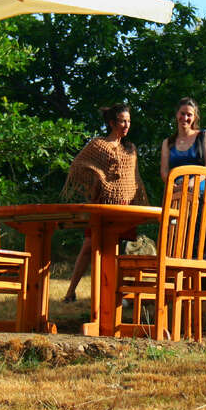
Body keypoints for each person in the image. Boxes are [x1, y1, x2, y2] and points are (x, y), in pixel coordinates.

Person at [61, 104, 148, 302]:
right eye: (122, 121)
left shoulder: (130, 149)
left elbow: (134, 178)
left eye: (128, 121)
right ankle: (70, 291)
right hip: (103, 204)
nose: (126, 125)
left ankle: (115, 295)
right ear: (111, 123)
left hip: (125, 206)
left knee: (120, 251)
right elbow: (78, 165)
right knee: (89, 246)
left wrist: (136, 201)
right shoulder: (98, 145)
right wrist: (97, 180)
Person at [160, 96, 206, 181]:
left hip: (200, 190)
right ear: (177, 114)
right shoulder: (167, 142)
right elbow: (164, 172)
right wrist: (174, 186)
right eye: (182, 113)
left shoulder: (204, 136)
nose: (185, 118)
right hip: (175, 190)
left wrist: (191, 183)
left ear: (195, 117)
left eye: (189, 115)